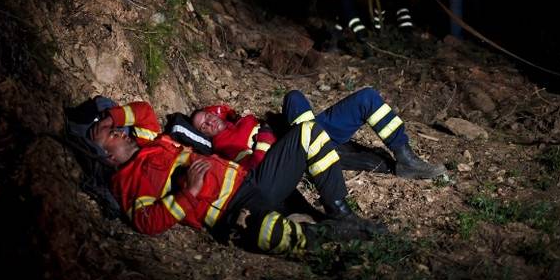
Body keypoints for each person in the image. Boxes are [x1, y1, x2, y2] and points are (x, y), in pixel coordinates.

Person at [89, 100, 386, 256]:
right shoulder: (128, 181)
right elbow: (146, 222)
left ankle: (342, 213)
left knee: (308, 133)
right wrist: (188, 193)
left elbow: (143, 111)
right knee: (267, 230)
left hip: (251, 181)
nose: (117, 132)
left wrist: (110, 118)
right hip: (233, 208)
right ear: (108, 158)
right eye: (110, 137)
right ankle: (329, 236)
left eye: (114, 129)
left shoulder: (150, 141)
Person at [185, 88, 444, 181]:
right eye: (202, 127)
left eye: (207, 117)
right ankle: (318, 148)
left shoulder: (239, 121)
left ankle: (406, 157)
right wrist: (265, 135)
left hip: (309, 129)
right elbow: (254, 166)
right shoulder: (224, 145)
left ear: (215, 113)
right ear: (204, 135)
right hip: (292, 150)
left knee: (365, 98)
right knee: (293, 101)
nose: (208, 123)